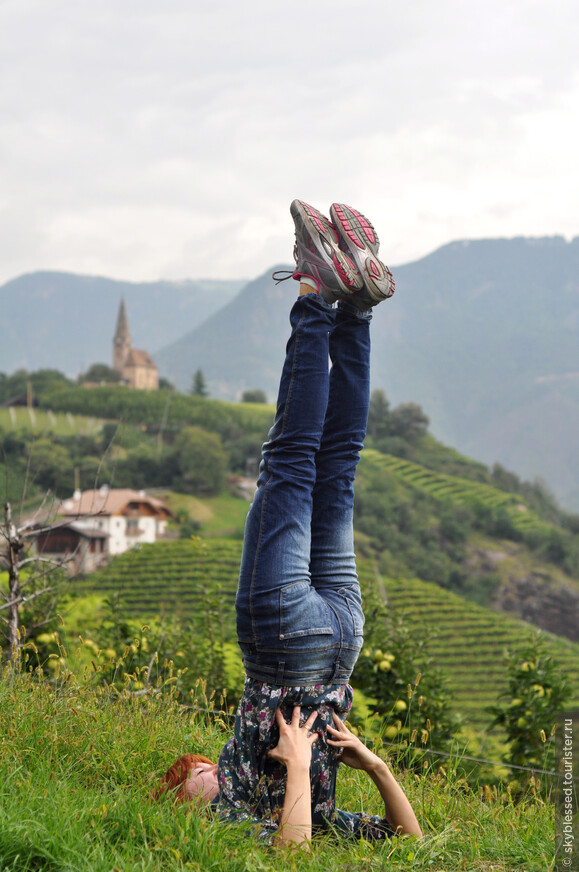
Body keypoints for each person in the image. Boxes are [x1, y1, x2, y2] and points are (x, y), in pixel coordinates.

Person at [155, 200, 421, 847]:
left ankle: (354, 305)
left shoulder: (230, 804)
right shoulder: (232, 823)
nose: (194, 771)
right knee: (295, 463)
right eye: (187, 779)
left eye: (189, 772)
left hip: (335, 643)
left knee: (333, 472)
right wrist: (357, 764)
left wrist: (307, 764)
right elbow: (394, 843)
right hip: (293, 646)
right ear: (190, 805)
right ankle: (317, 286)